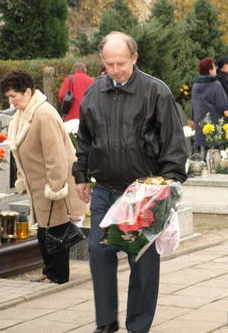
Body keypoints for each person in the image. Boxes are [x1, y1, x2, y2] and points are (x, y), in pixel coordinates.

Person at [73, 32, 187, 333]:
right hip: (105, 189)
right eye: (109, 64)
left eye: (121, 63)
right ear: (102, 60)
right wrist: (81, 175)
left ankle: (138, 326)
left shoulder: (156, 91)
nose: (115, 70)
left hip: (144, 193)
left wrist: (169, 186)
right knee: (99, 253)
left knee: (143, 263)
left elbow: (174, 142)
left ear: (134, 58)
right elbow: (85, 139)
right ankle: (106, 323)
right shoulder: (94, 92)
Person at [2, 70, 87, 284]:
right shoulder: (24, 114)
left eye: (13, 96)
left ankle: (57, 276)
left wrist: (55, 187)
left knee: (55, 230)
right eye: (8, 97)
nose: (11, 101)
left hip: (52, 185)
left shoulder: (43, 114)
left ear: (28, 92)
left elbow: (55, 155)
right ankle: (49, 272)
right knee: (45, 229)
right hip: (38, 185)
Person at [191, 57, 228, 151]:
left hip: (200, 125)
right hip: (214, 126)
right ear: (210, 70)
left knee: (202, 153)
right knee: (215, 154)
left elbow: (193, 106)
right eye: (214, 67)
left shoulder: (195, 85)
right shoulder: (215, 85)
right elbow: (223, 107)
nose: (216, 68)